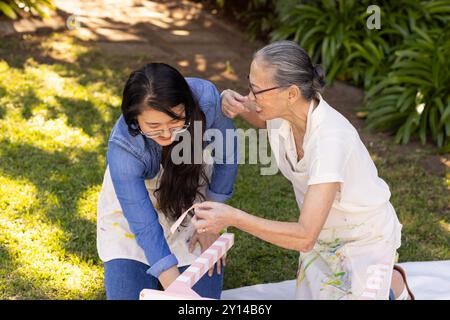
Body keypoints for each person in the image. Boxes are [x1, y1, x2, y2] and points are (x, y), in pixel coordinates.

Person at [192, 40, 414, 300]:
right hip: (320, 235)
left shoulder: (330, 140)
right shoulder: (282, 111)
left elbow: (305, 236)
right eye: (249, 85)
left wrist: (233, 217)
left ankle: (393, 282)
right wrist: (230, 99)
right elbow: (255, 112)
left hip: (363, 237)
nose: (251, 97)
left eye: (257, 90)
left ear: (292, 93)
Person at [96, 63, 238, 299]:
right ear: (135, 120)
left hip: (189, 197)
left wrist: (209, 222)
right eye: (153, 126)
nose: (167, 134)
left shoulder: (206, 100)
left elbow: (227, 155)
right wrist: (177, 290)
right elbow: (145, 226)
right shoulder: (123, 150)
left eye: (176, 122)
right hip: (134, 215)